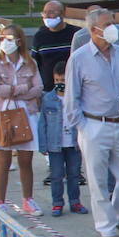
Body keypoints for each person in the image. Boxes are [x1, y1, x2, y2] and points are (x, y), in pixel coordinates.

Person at [64, 8, 119, 237]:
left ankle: (118, 217)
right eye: (107, 24)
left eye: (112, 23)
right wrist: (82, 127)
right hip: (94, 124)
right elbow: (71, 96)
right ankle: (105, 228)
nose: (112, 28)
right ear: (93, 29)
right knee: (97, 181)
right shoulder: (79, 58)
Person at [0, 24, 43, 214]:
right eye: (2, 38)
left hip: (25, 113)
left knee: (26, 159)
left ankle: (28, 199)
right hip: (0, 113)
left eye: (9, 39)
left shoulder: (30, 62)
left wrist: (15, 92)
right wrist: (21, 89)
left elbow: (38, 88)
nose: (5, 42)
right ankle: (0, 201)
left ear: (19, 41)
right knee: (3, 160)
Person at [37, 59, 86, 216]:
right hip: (54, 144)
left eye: (63, 80)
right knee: (56, 175)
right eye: (57, 80)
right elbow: (42, 123)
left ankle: (75, 202)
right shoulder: (48, 99)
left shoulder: (77, 98)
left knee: (74, 174)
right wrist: (42, 144)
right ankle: (57, 203)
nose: (60, 83)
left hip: (73, 143)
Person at [32, 0, 81, 90]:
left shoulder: (76, 34)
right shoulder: (39, 36)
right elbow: (34, 64)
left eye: (51, 12)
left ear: (62, 14)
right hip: (48, 89)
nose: (47, 16)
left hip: (73, 87)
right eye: (44, 12)